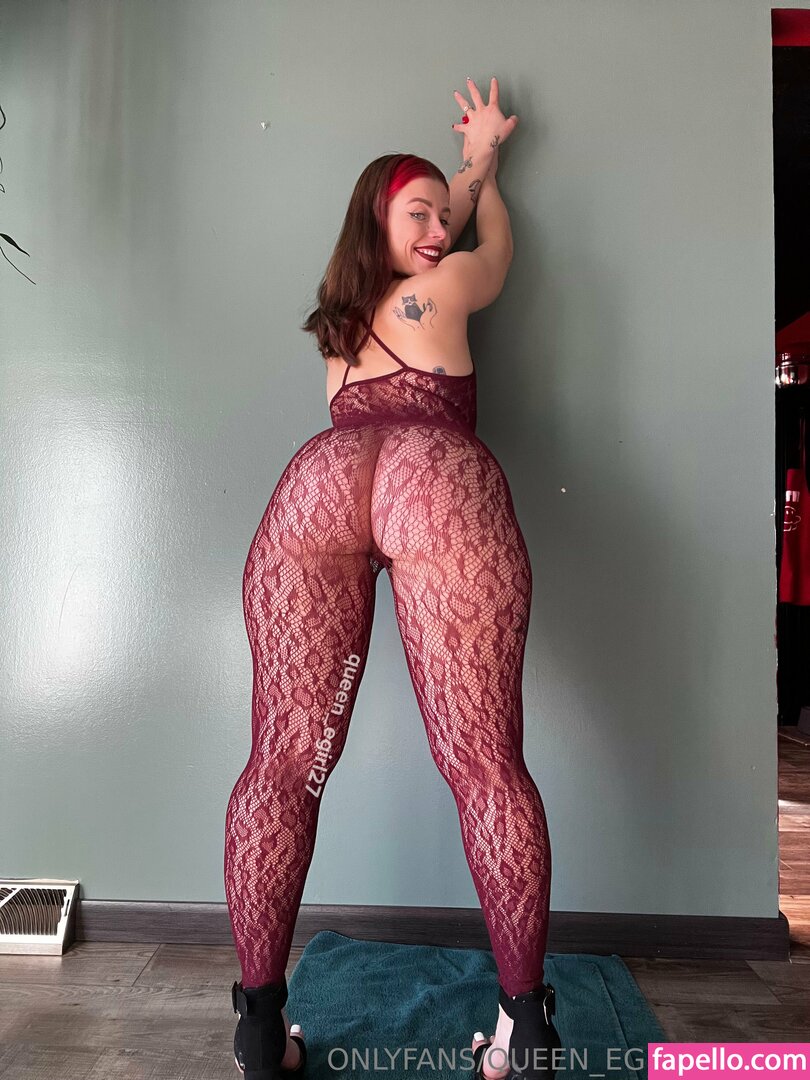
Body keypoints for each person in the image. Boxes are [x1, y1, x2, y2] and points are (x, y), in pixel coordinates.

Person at [224, 77, 561, 1080]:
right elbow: (496, 251)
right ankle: (523, 1029)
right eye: (418, 214)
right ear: (378, 221)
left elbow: (442, 217)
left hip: (321, 486)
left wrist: (465, 168)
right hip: (431, 483)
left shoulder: (338, 325)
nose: (439, 230)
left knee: (287, 760)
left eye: (441, 216)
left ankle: (258, 1026)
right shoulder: (446, 287)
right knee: (485, 764)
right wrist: (487, 169)